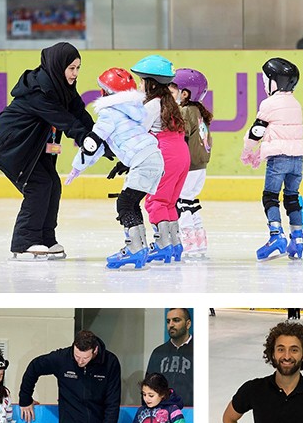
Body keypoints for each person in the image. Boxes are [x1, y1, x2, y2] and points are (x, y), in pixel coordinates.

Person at [0, 42, 95, 260]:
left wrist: (102, 140)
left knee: (52, 183)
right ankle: (24, 242)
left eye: (78, 68)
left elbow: (80, 115)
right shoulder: (40, 90)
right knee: (39, 185)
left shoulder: (63, 87)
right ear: (58, 66)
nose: (75, 73)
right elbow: (66, 122)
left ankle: (44, 238)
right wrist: (86, 139)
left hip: (31, 147)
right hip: (10, 145)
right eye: (71, 68)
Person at [64, 67, 164, 270]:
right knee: (131, 201)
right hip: (154, 157)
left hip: (143, 160)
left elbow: (92, 143)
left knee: (125, 203)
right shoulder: (133, 112)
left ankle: (136, 249)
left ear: (106, 93)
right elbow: (104, 146)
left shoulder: (109, 114)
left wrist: (76, 167)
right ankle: (140, 247)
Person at [240, 58, 303, 261]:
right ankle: (297, 239)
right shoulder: (295, 103)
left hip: (278, 158)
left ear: (275, 82)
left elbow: (257, 130)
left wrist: (248, 150)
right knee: (292, 196)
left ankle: (276, 235)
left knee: (270, 196)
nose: (263, 84)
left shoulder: (269, 103)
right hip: (297, 159)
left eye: (265, 80)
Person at [131, 54, 191, 264]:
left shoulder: (151, 105)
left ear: (151, 83)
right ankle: (174, 243)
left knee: (155, 200)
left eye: (141, 81)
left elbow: (138, 131)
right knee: (170, 201)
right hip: (181, 153)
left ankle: (163, 245)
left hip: (165, 154)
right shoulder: (171, 102)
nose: (139, 85)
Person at [172, 68, 213, 258]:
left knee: (181, 203)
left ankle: (188, 243)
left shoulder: (185, 111)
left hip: (189, 167)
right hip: (200, 167)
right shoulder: (198, 111)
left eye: (172, 90)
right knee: (191, 202)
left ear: (185, 93)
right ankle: (199, 241)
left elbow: (181, 136)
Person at [146, 308, 194, 407]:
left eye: (176, 320)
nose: (171, 325)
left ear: (188, 324)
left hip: (189, 412)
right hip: (161, 414)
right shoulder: (158, 352)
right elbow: (148, 387)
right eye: (168, 321)